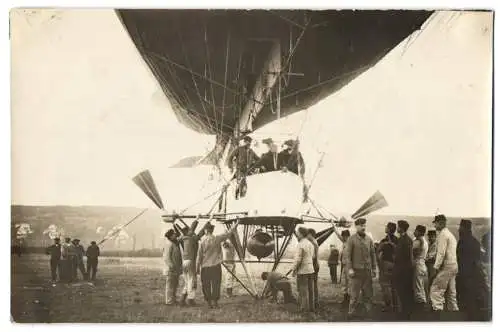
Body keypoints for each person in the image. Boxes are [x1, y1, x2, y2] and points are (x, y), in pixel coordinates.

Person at [196, 221, 239, 308]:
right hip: (215, 266)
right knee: (216, 284)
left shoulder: (202, 241)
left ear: (205, 231)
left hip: (205, 267)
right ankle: (215, 302)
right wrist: (236, 224)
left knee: (206, 285)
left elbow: (199, 256)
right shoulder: (217, 238)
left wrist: (197, 268)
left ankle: (208, 303)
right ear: (212, 230)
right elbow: (228, 233)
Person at [344, 218, 377, 319]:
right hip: (356, 271)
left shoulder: (369, 239)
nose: (363, 227)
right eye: (361, 225)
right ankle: (351, 313)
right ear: (356, 227)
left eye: (364, 225)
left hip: (367, 271)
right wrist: (350, 269)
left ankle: (368, 313)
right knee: (354, 295)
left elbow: (373, 254)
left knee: (368, 294)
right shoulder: (351, 239)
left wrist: (374, 268)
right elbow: (348, 256)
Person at [456, 219, 487, 320]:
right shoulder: (475, 242)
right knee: (472, 304)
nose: (458, 229)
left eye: (460, 227)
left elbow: (460, 259)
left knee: (467, 304)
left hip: (465, 277)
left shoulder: (462, 241)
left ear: (464, 228)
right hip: (473, 276)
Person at [429, 214, 459, 313]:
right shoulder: (450, 234)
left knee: (436, 289)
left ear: (440, 223)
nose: (435, 226)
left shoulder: (442, 235)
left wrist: (436, 267)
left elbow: (441, 253)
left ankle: (438, 311)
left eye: (436, 223)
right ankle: (454, 313)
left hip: (446, 266)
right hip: (454, 265)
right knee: (451, 292)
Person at [179, 220, 206, 306]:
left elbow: (194, 232)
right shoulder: (191, 238)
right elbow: (200, 233)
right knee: (192, 281)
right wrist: (206, 223)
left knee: (187, 281)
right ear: (188, 232)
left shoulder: (183, 239)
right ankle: (190, 299)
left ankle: (182, 300)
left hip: (184, 261)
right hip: (190, 261)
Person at [393, 220, 414, 320]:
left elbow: (408, 257)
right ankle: (405, 312)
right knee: (403, 292)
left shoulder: (405, 240)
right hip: (402, 270)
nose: (397, 228)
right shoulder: (404, 239)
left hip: (403, 271)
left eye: (398, 226)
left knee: (404, 292)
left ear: (401, 228)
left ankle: (406, 313)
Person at [291, 227, 316, 312]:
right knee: (310, 289)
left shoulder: (300, 244)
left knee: (303, 290)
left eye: (297, 233)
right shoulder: (310, 244)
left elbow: (298, 259)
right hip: (311, 269)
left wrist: (293, 269)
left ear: (301, 234)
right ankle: (311, 308)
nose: (297, 234)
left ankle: (304, 308)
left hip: (303, 271)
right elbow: (313, 256)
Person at [377, 222, 399, 312]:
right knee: (394, 286)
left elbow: (378, 250)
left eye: (386, 227)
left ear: (389, 229)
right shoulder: (398, 240)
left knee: (385, 285)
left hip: (386, 264)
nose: (385, 228)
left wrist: (379, 262)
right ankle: (396, 305)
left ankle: (388, 305)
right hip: (395, 265)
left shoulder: (384, 241)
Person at [163, 229, 182, 305]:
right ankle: (169, 301)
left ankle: (173, 299)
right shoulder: (169, 244)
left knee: (174, 284)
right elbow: (166, 257)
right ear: (170, 236)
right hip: (171, 268)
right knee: (170, 285)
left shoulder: (174, 243)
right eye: (174, 234)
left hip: (175, 268)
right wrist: (171, 266)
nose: (175, 235)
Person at [413, 225, 429, 310]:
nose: (414, 232)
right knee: (421, 285)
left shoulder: (418, 242)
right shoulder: (424, 241)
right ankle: (422, 303)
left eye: (416, 230)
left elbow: (414, 252)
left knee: (418, 285)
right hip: (422, 264)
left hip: (418, 264)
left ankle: (420, 306)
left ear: (419, 232)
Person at [307, 228, 320, 309]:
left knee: (312, 285)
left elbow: (313, 256)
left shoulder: (313, 243)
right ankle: (316, 301)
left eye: (307, 234)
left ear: (311, 235)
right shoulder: (315, 241)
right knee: (314, 284)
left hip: (313, 265)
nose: (306, 236)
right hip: (315, 265)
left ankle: (313, 302)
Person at [340, 229, 351, 306]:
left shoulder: (350, 243)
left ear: (346, 236)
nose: (342, 238)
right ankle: (345, 299)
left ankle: (349, 300)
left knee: (349, 283)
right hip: (344, 265)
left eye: (343, 236)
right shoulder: (345, 243)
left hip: (350, 266)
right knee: (344, 282)